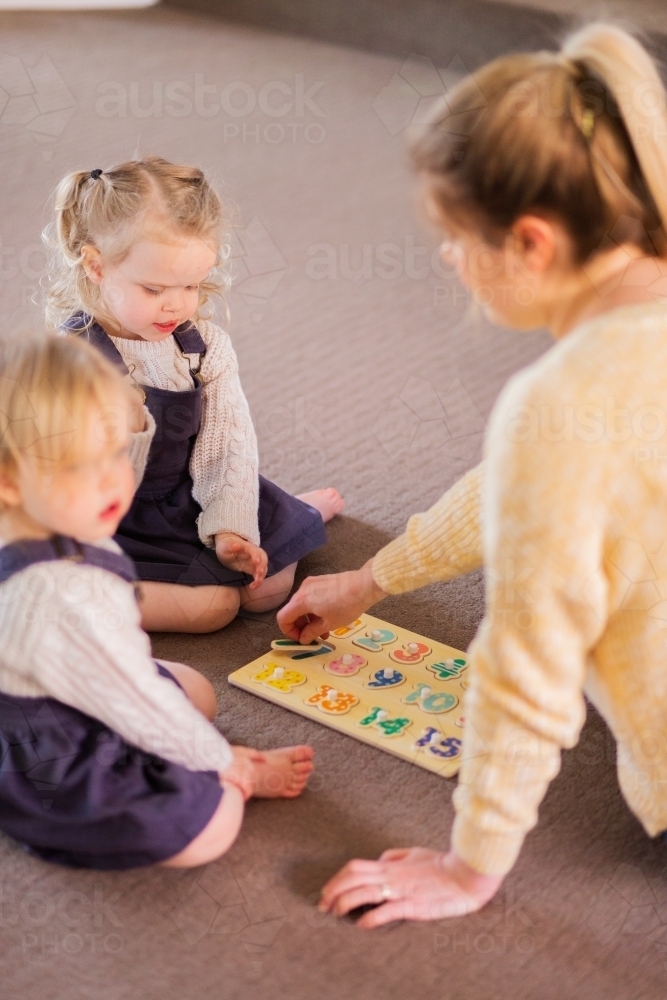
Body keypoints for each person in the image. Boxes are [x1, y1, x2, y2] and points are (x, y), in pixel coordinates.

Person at [277, 22, 667, 927]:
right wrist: (373, 580)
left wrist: (469, 867)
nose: (448, 261)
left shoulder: (560, 402)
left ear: (530, 242)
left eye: (455, 239)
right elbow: (523, 486)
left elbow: (525, 670)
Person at [0, 334, 313, 869]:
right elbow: (138, 706)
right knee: (205, 828)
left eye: (116, 454)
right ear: (10, 482)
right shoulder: (65, 595)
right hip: (57, 762)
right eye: (79, 469)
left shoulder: (40, 522)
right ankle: (225, 784)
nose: (112, 484)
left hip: (60, 690)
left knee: (197, 692)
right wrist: (228, 764)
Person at [46, 156, 343, 633]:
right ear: (96, 266)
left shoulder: (202, 346)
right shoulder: (70, 358)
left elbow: (227, 440)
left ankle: (293, 511)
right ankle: (89, 597)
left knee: (265, 591)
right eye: (154, 288)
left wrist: (230, 528)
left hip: (184, 496)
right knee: (216, 610)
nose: (178, 303)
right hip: (106, 518)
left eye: (191, 284)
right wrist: (130, 427)